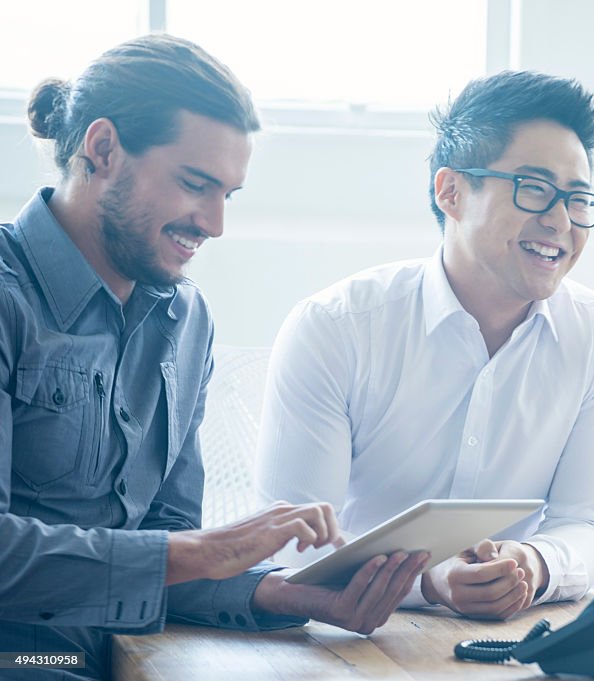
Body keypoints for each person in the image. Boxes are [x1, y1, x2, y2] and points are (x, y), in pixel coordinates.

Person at [0, 35, 425, 681]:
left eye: (230, 193)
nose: (216, 223)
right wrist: (203, 548)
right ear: (104, 148)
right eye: (196, 184)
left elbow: (164, 553)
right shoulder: (9, 298)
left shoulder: (184, 318)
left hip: (109, 655)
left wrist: (281, 590)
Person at [256, 70, 594, 620]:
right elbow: (292, 544)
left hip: (514, 634)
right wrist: (430, 580)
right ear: (450, 191)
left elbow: (588, 522)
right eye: (535, 189)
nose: (560, 221)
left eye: (577, 199)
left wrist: (533, 564)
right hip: (340, 640)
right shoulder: (335, 326)